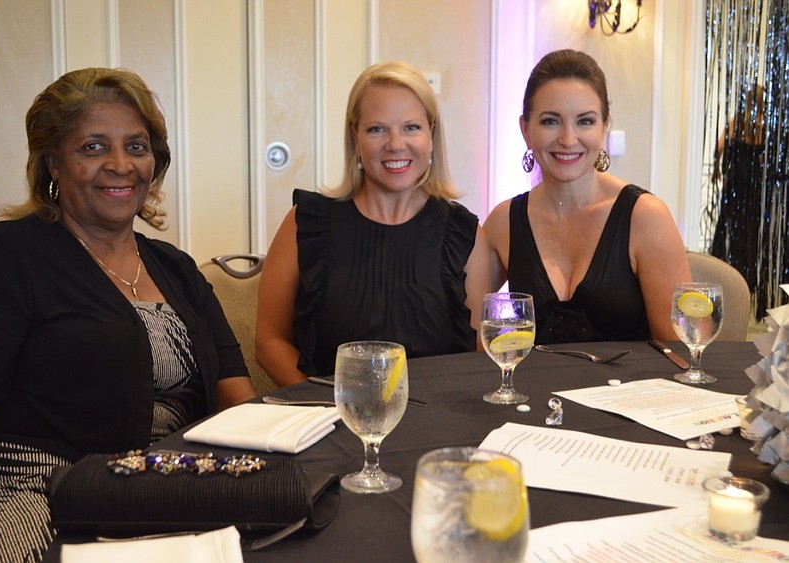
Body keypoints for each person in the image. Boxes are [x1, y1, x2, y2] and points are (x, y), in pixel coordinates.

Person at [0, 67, 256, 561]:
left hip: (163, 499)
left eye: (136, 147)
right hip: (33, 504)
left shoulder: (176, 268)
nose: (120, 165)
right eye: (93, 147)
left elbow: (237, 400)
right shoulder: (0, 259)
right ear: (53, 163)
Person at [255, 61, 490, 386]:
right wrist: (324, 404)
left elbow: (478, 358)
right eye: (377, 129)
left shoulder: (465, 235)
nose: (395, 144)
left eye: (411, 127)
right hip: (328, 413)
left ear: (431, 135)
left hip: (438, 414)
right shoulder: (306, 222)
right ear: (355, 138)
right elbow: (268, 342)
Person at [483, 49, 690, 344]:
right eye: (550, 121)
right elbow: (469, 331)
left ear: (605, 127)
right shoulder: (502, 223)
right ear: (525, 129)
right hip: (536, 377)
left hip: (637, 377)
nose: (568, 139)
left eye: (585, 121)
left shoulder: (646, 217)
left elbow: (681, 350)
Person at [708, 85, 765, 316]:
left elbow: (719, 146)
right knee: (750, 234)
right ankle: (745, 284)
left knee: (730, 230)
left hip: (734, 187)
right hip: (754, 191)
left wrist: (716, 170)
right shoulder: (764, 127)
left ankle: (723, 277)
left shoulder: (736, 124)